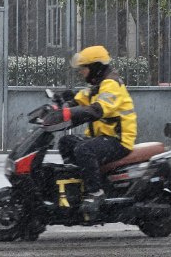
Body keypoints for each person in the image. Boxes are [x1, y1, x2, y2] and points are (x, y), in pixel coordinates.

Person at [53, 45, 137, 216]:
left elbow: (98, 109)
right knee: (66, 142)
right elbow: (80, 100)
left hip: (118, 140)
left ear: (95, 67)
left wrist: (72, 113)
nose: (81, 72)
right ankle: (79, 182)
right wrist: (63, 104)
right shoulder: (97, 84)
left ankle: (95, 192)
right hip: (102, 137)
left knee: (84, 149)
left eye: (83, 68)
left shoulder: (111, 84)